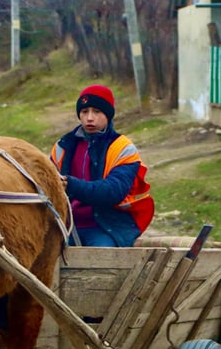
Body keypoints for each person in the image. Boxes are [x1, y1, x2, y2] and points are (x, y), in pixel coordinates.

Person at [50, 84, 154, 247]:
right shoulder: (62, 146)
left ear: (108, 115)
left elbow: (113, 191)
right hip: (67, 226)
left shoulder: (123, 149)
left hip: (106, 226)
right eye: (84, 112)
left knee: (101, 262)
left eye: (97, 112)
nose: (90, 118)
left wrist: (69, 184)